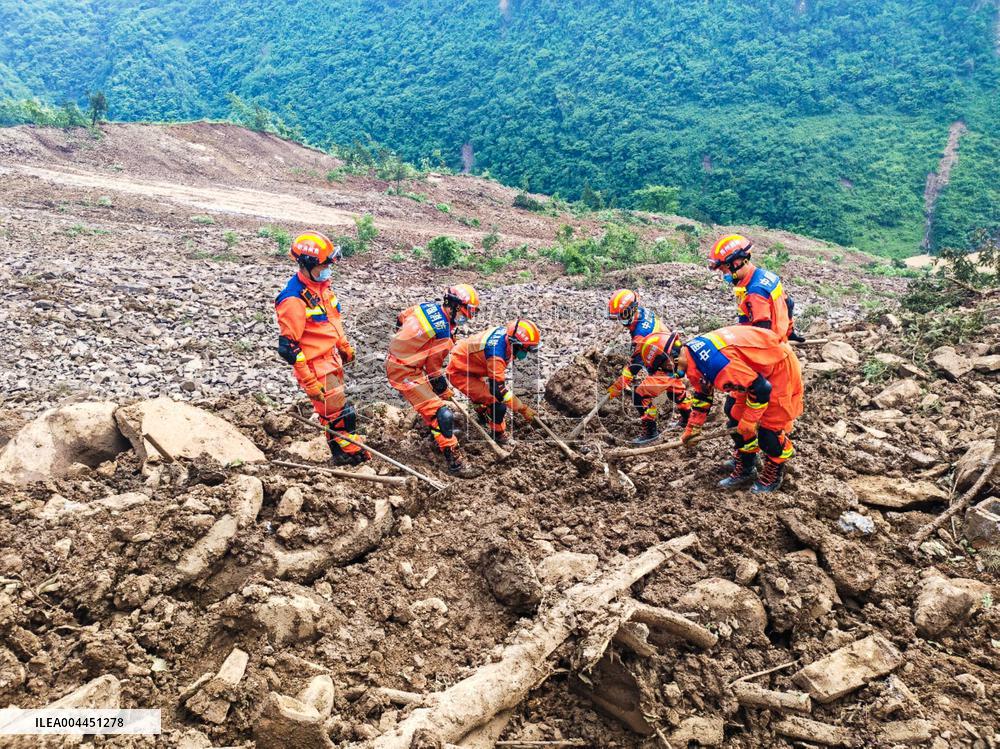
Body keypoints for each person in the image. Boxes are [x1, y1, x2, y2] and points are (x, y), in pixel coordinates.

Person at [664, 325, 803, 493]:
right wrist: (693, 427)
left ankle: (773, 473)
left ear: (674, 359)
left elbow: (761, 389)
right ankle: (747, 464)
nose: (669, 373)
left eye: (666, 368)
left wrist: (750, 419)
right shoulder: (691, 357)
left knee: (769, 430)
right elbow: (703, 393)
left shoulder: (715, 363)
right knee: (734, 416)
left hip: (776, 366)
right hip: (753, 371)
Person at [274, 231, 369, 465]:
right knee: (341, 414)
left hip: (331, 359)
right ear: (307, 264)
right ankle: (351, 455)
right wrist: (309, 381)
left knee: (334, 413)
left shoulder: (322, 287)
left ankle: (341, 452)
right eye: (324, 265)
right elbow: (288, 347)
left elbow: (333, 321)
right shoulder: (293, 299)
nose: (328, 269)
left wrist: (344, 347)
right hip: (316, 367)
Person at [387, 285, 479, 475]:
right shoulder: (443, 333)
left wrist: (408, 346)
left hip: (407, 365)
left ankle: (439, 435)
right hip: (404, 372)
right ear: (453, 306)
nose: (467, 318)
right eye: (465, 312)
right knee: (441, 413)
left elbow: (401, 317)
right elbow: (433, 369)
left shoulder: (426, 307)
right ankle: (456, 464)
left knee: (435, 406)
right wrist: (444, 390)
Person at [605, 289, 689, 443]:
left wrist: (617, 387)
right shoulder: (643, 313)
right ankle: (688, 417)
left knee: (640, 395)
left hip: (665, 361)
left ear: (632, 309)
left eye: (623, 316)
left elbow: (635, 366)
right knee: (674, 389)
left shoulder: (641, 333)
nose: (621, 320)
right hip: (671, 354)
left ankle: (650, 431)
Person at [447, 320, 541, 445]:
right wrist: (522, 408)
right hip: (460, 372)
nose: (525, 354)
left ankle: (481, 410)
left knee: (485, 395)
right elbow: (498, 390)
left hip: (472, 364)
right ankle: (498, 434)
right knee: (498, 404)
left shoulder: (506, 337)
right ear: (515, 344)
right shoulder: (496, 354)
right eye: (525, 350)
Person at [707, 234, 805, 343]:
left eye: (723, 270)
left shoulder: (755, 291)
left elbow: (762, 331)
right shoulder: (765, 276)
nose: (724, 274)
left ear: (735, 264)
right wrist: (789, 332)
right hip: (774, 335)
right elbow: (788, 303)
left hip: (769, 344)